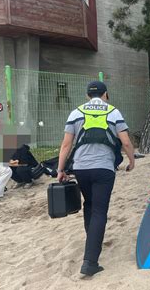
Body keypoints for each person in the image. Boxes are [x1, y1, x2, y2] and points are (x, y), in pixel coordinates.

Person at [56, 81, 135, 276]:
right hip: (104, 168)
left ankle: (92, 241)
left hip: (81, 168)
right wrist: (132, 160)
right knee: (100, 210)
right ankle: (90, 261)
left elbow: (66, 145)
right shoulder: (113, 112)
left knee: (89, 204)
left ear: (87, 96)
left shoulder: (76, 113)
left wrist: (60, 169)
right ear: (105, 94)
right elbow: (125, 141)